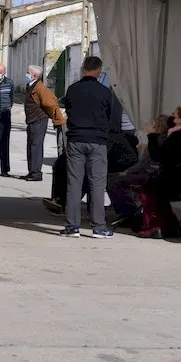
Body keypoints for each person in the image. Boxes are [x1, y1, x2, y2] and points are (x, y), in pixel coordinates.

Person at [59, 56, 115, 239]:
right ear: (99, 72)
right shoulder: (105, 92)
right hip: (97, 141)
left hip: (76, 140)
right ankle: (99, 226)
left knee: (74, 183)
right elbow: (110, 116)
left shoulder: (72, 90)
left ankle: (72, 226)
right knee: (97, 185)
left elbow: (68, 109)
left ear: (83, 69)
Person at [143, 106, 181, 239]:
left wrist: (152, 136)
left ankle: (166, 228)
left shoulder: (180, 136)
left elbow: (159, 156)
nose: (171, 117)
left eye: (174, 115)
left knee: (154, 190)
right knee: (156, 189)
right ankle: (169, 227)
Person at [22, 65, 65, 182]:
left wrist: (57, 119)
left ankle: (36, 173)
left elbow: (51, 104)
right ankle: (31, 171)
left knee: (36, 146)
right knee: (31, 146)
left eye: (28, 73)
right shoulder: (30, 86)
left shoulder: (40, 88)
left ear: (34, 75)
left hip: (39, 120)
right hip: (32, 120)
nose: (26, 74)